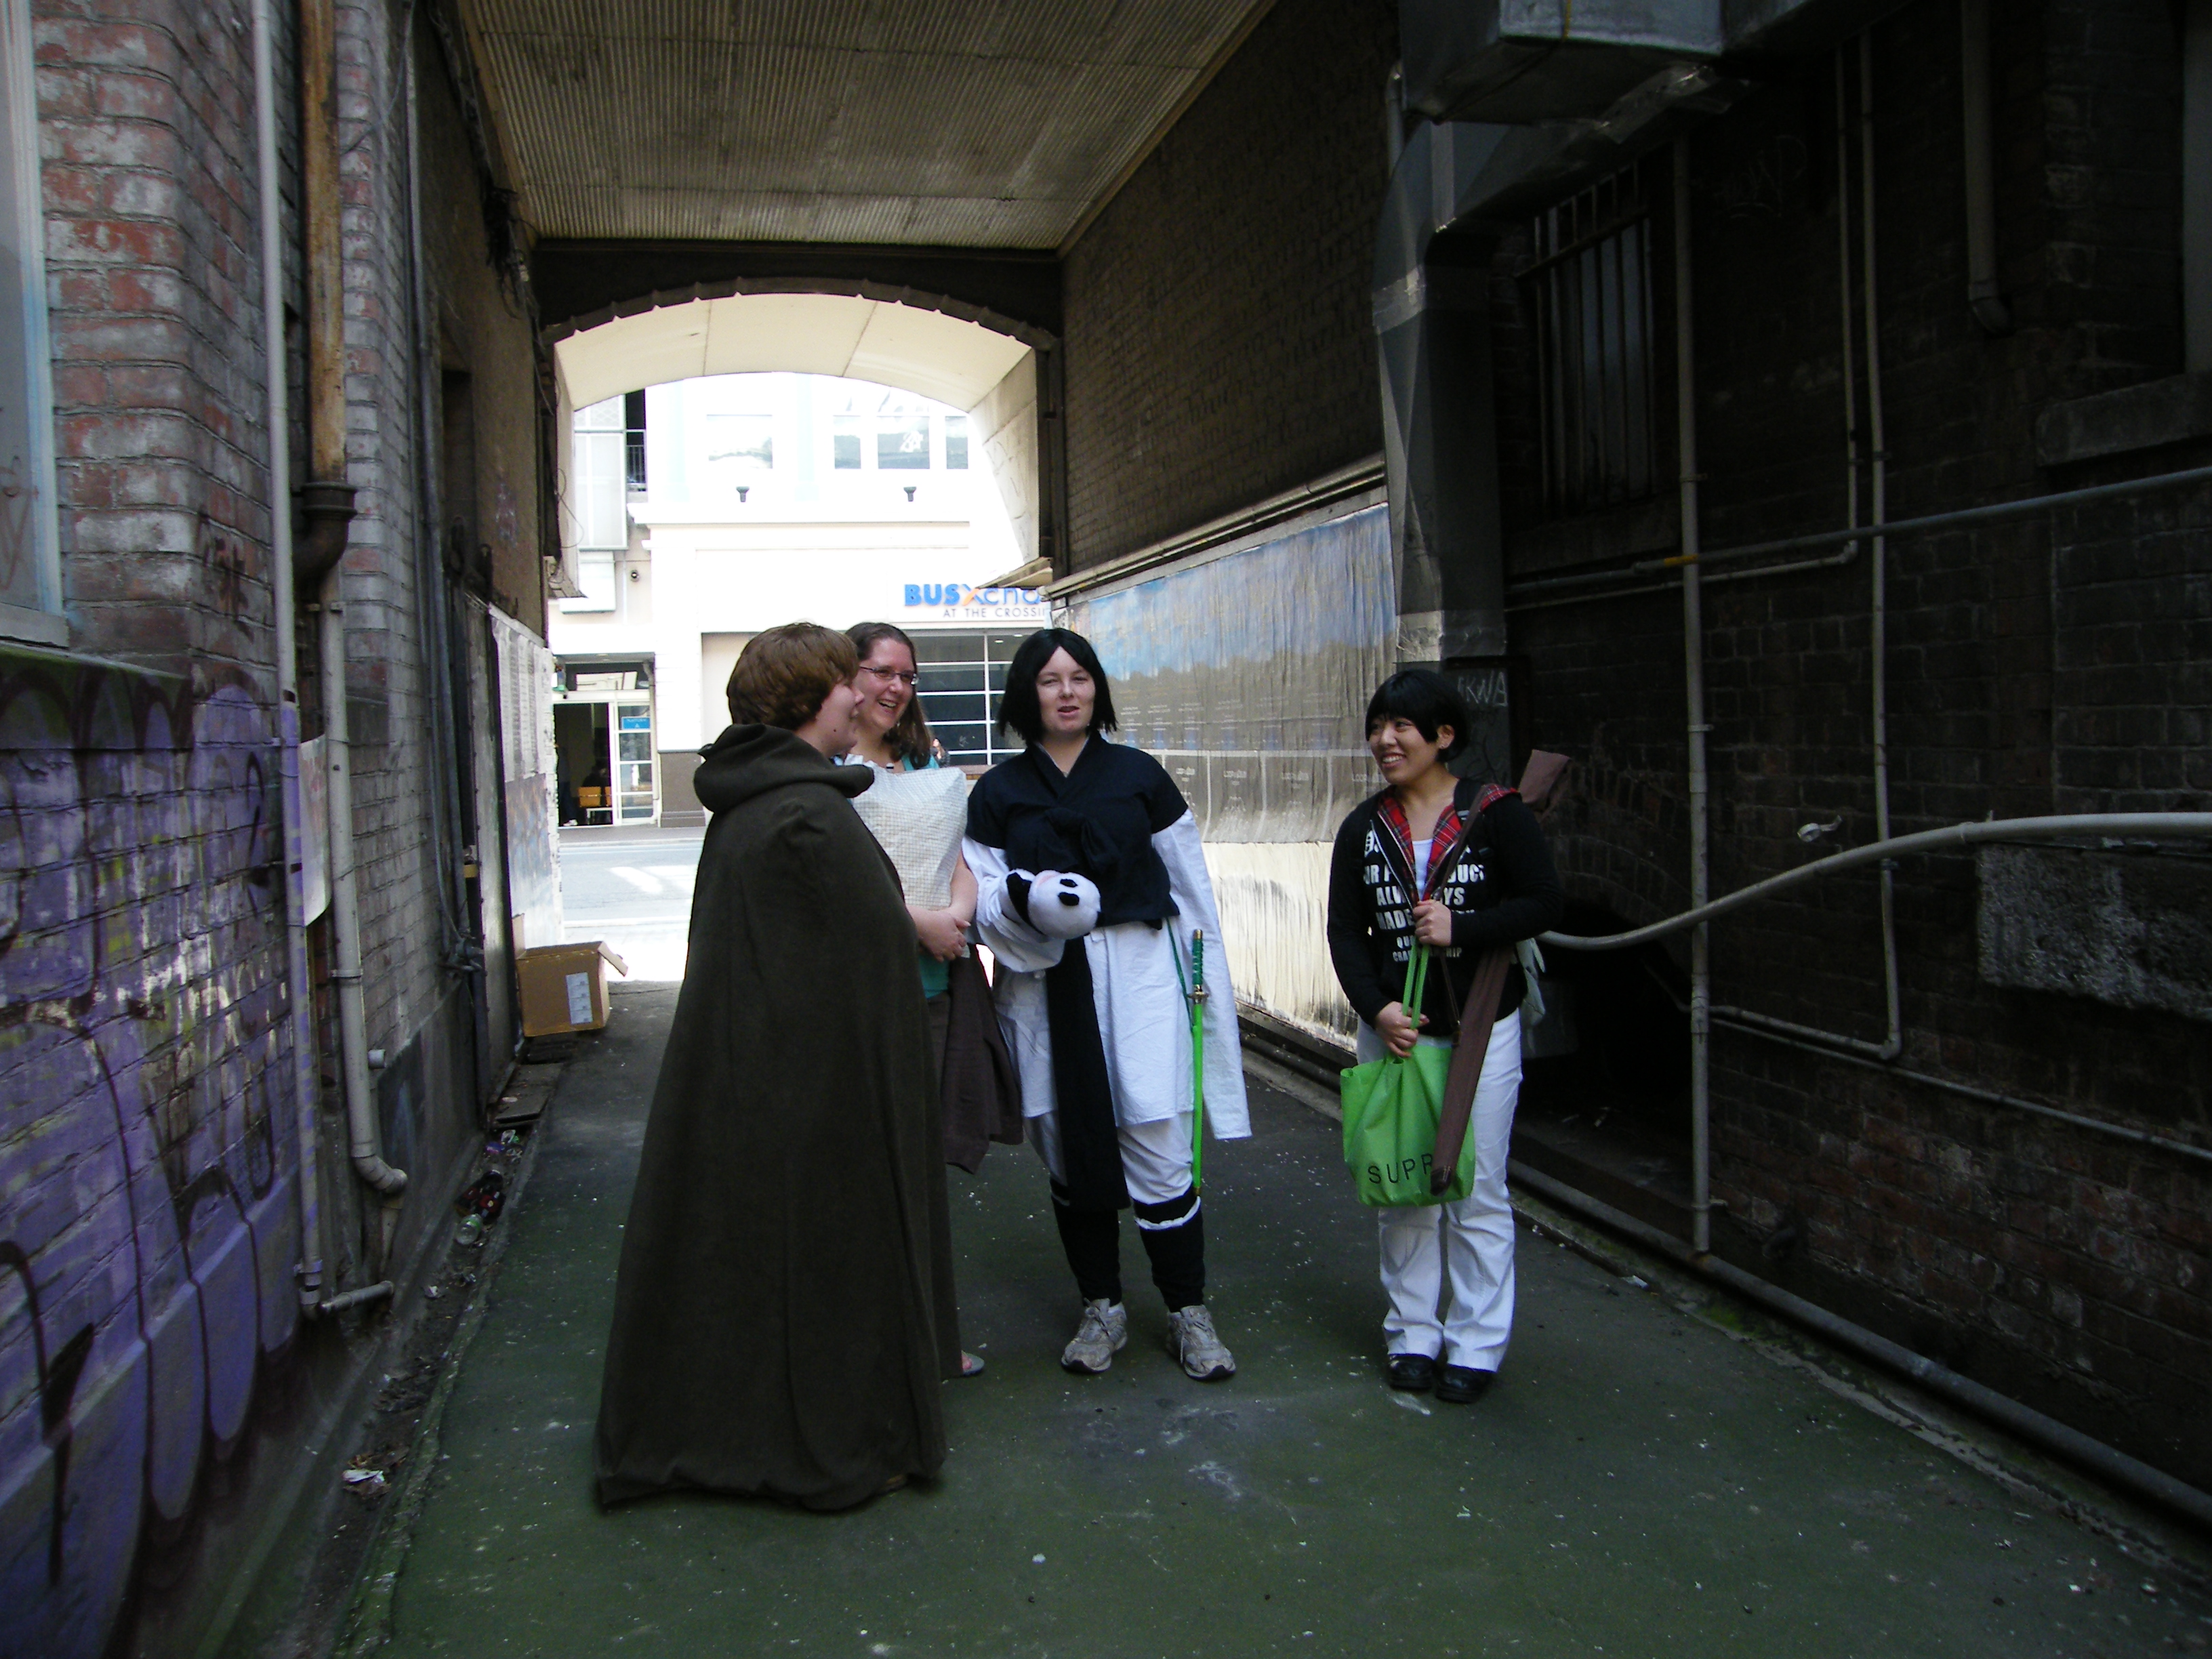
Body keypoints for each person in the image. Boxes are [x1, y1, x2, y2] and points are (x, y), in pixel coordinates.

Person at [594, 622, 958, 1511]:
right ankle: (833, 1444)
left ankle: (761, 1426)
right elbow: (856, 970)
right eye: (844, 682)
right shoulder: (805, 817)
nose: (860, 697)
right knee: (822, 1270)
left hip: (775, 1083)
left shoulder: (765, 801)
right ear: (808, 698)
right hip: (818, 1101)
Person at [964, 628, 1250, 1381]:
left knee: (1159, 1144)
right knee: (1071, 1148)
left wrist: (1204, 987)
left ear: (1097, 688)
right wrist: (1029, 903)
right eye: (1050, 680)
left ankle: (1188, 1312)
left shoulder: (1139, 776)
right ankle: (1102, 1308)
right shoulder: (998, 792)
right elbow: (984, 898)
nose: (1067, 692)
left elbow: (1189, 891)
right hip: (1043, 986)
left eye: (1080, 677)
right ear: (1026, 694)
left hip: (1140, 979)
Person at [1325, 670, 1563, 1405]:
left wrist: (1465, 925)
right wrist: (1375, 1009)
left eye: (1401, 726)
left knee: (1477, 1190)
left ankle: (1476, 1345)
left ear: (1444, 735)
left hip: (1480, 1033)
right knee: (1404, 1190)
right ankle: (1413, 1336)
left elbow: (1542, 902)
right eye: (1377, 727)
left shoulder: (1496, 814)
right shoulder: (1364, 828)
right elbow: (1346, 930)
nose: (1385, 740)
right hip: (1396, 1035)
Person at [841, 620, 992, 1378]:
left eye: (907, 675)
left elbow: (956, 858)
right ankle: (874, 1340)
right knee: (868, 1174)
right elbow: (839, 885)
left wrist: (956, 913)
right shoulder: (830, 771)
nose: (896, 687)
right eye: (880, 671)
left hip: (936, 992)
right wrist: (919, 924)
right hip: (862, 999)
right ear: (848, 677)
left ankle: (928, 1335)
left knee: (922, 1174)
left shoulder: (926, 763)